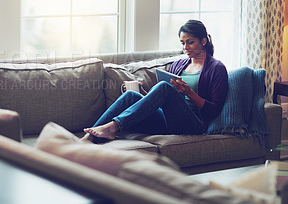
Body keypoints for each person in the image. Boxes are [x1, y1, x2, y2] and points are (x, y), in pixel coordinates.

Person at [82, 19, 228, 142]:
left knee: (164, 87)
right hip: (168, 120)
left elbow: (214, 110)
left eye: (190, 42)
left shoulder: (216, 68)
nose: (185, 48)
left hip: (193, 124)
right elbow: (163, 100)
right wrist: (144, 93)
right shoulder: (179, 64)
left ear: (203, 41)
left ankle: (113, 127)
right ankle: (88, 138)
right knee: (131, 96)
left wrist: (190, 93)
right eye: (182, 43)